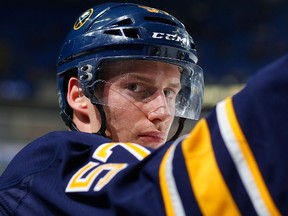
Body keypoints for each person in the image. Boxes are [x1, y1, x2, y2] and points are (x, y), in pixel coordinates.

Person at [0, 2, 287, 215]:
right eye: (136, 87)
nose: (162, 112)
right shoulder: (47, 167)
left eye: (170, 92)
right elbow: (159, 198)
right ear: (79, 96)